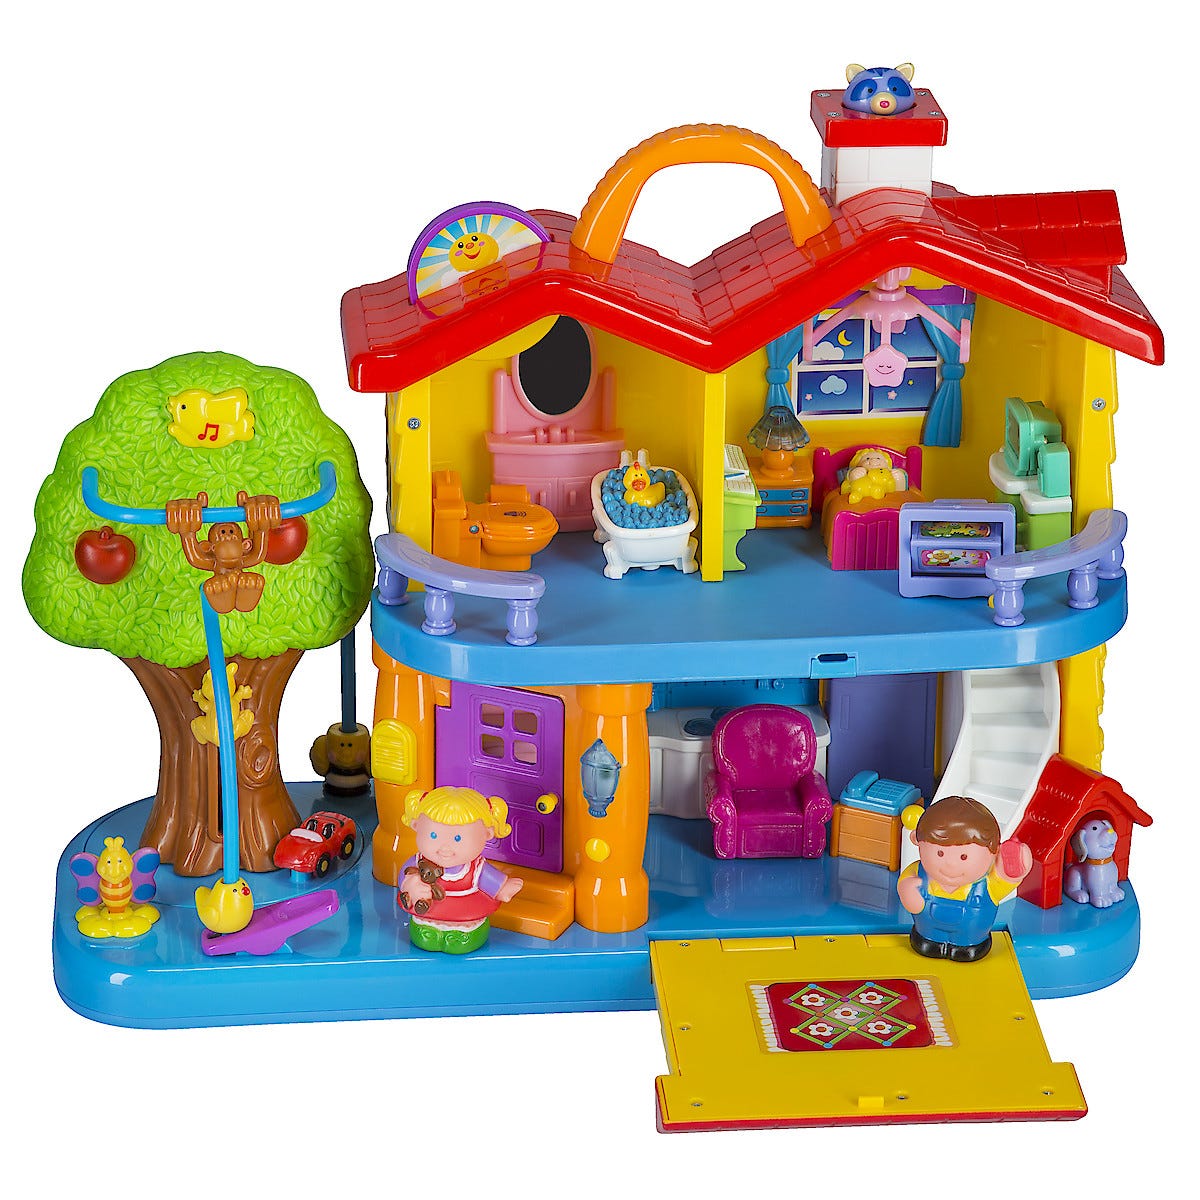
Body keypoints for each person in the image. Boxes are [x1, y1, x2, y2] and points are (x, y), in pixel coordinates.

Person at [897, 795, 1032, 962]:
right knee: (928, 945)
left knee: (965, 950)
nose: (950, 864)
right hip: (926, 933)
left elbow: (1007, 880)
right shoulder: (917, 872)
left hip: (970, 939)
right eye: (940, 853)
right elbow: (905, 888)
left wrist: (1013, 870)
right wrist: (908, 891)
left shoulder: (987, 884)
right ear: (916, 841)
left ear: (993, 853)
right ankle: (930, 942)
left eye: (963, 857)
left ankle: (966, 946)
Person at [396, 786, 524, 954]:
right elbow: (404, 875)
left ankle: (463, 936)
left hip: (464, 909)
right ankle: (426, 932)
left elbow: (488, 878)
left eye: (457, 838)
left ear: (487, 834)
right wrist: (409, 884)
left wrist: (502, 888)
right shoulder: (417, 863)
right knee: (425, 931)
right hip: (428, 909)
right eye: (434, 835)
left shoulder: (475, 868)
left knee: (463, 934)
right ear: (416, 826)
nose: (445, 847)